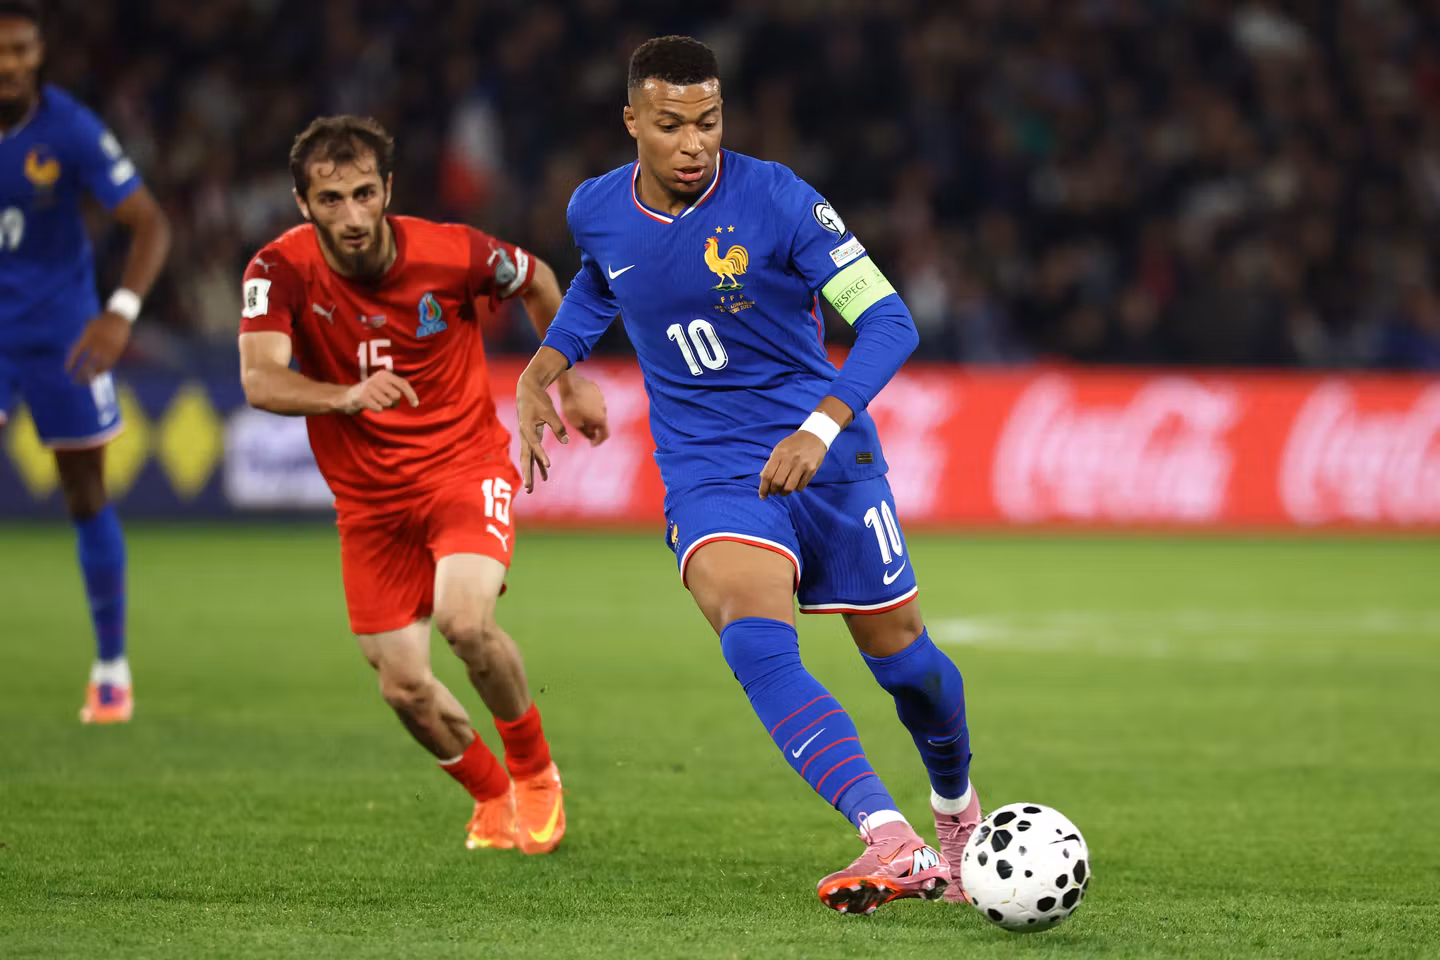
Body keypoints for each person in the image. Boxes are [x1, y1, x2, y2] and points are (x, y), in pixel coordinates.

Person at [516, 35, 981, 915]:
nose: (694, 143)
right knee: (753, 634)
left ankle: (956, 814)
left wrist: (822, 424)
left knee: (909, 668)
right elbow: (601, 285)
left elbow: (886, 320)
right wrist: (548, 361)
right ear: (631, 124)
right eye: (670, 125)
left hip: (829, 458)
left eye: (709, 122)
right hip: (711, 469)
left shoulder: (779, 201)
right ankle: (890, 837)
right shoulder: (596, 209)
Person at [237, 115, 609, 853]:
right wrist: (342, 395)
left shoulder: (452, 252)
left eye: (364, 194)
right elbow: (260, 378)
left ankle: (536, 775)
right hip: (369, 505)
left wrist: (564, 377)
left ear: (388, 191)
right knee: (402, 685)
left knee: (464, 622)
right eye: (332, 198)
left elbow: (535, 277)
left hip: (461, 468)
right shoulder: (276, 272)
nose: (351, 215)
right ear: (302, 203)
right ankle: (492, 793)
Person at [0, 0, 170, 724]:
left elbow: (150, 223)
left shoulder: (68, 129)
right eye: (0, 52)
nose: (10, 65)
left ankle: (111, 670)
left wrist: (118, 314)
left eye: (22, 51)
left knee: (83, 492)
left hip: (62, 335)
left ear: (39, 54)